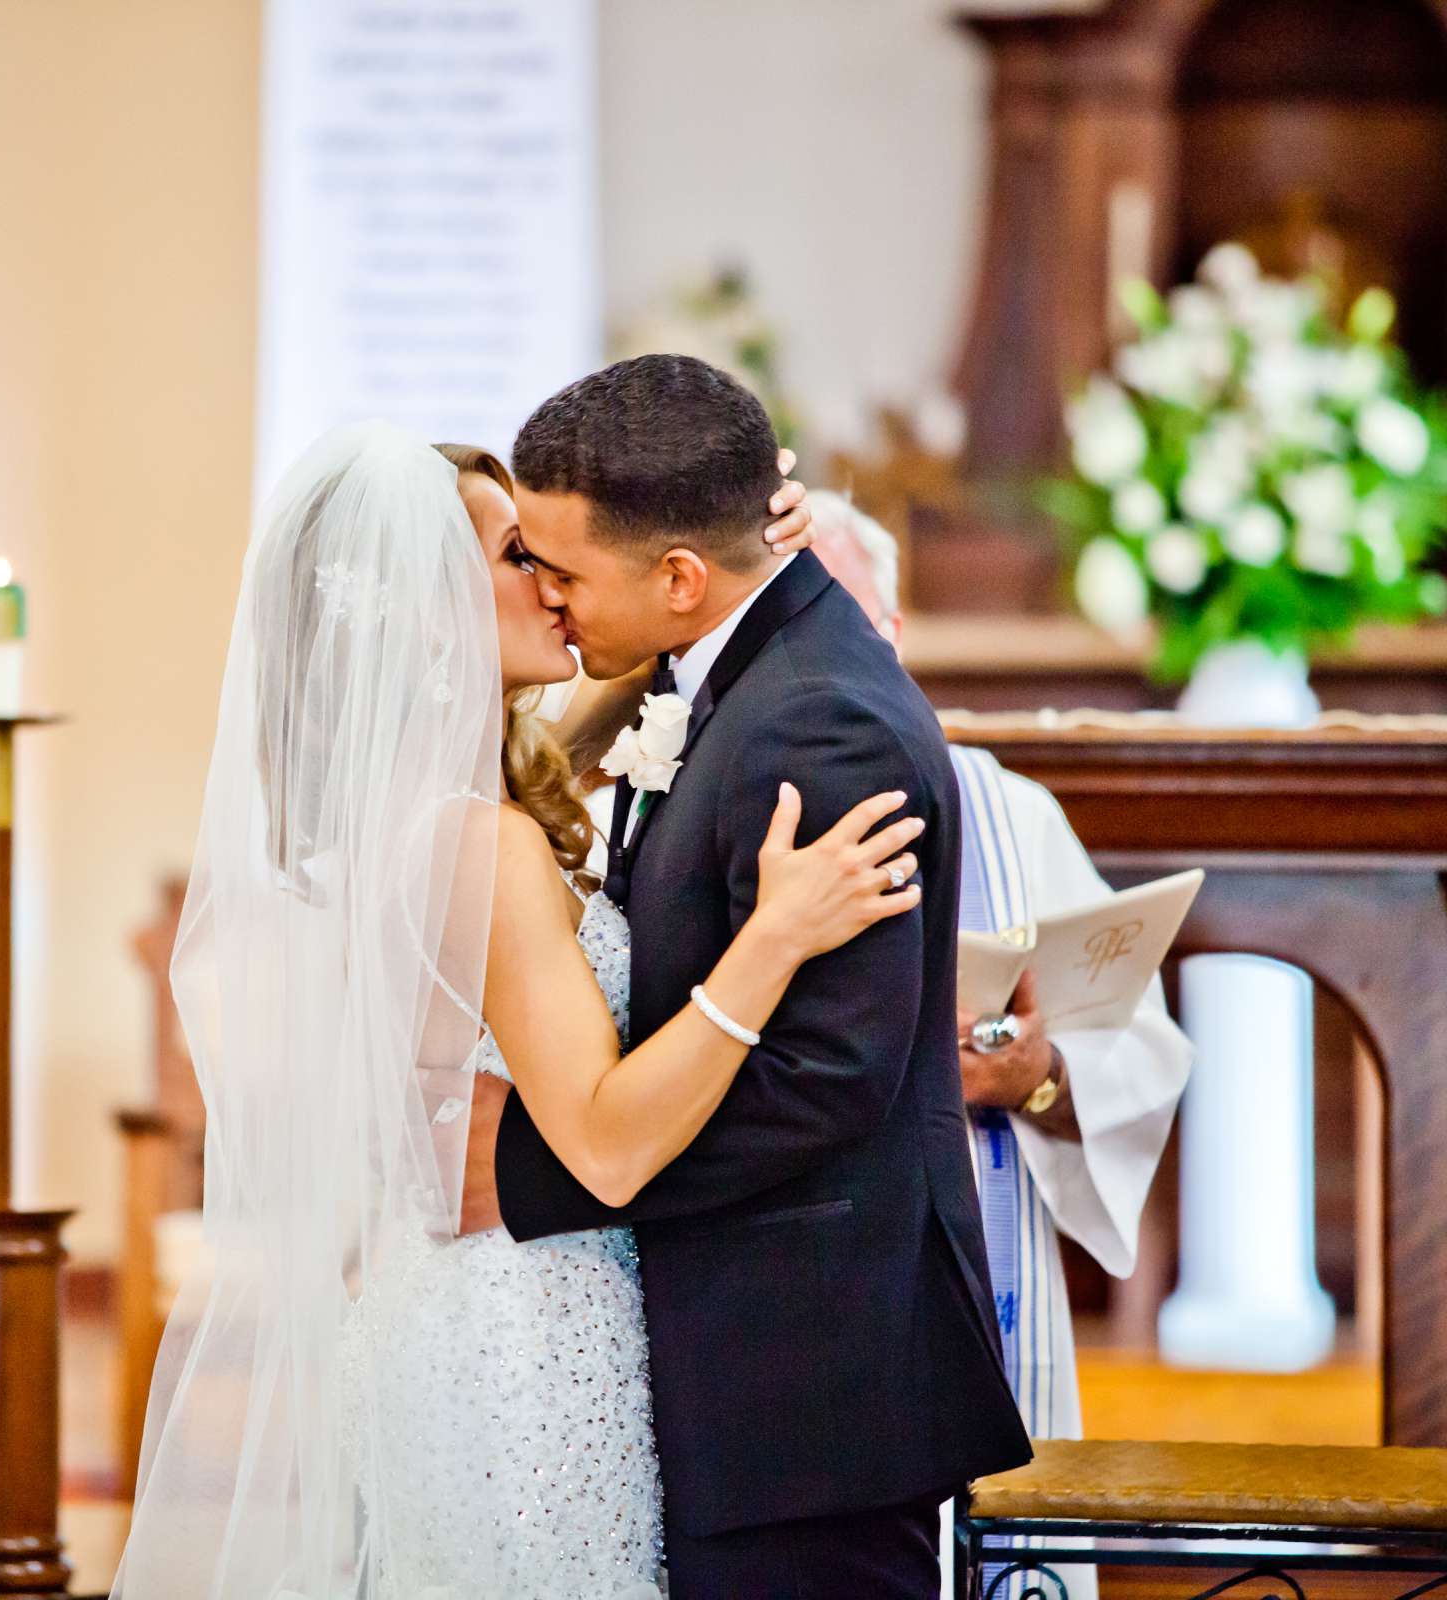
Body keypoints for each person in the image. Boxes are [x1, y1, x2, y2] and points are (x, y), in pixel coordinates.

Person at [113, 421, 923, 1599]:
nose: (551, 579)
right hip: (522, 1341)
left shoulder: (413, 813)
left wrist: (752, 560)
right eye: (516, 554)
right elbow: (602, 1140)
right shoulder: (477, 846)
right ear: (429, 612)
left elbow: (655, 687)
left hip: (449, 1311)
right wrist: (776, 937)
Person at [465, 356, 1031, 1599]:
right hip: (765, 1379)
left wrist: (529, 1173)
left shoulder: (818, 720)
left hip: (812, 1385)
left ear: (678, 578)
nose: (548, 598)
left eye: (562, 570)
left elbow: (826, 1081)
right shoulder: (728, 663)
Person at [804, 488, 1193, 1600]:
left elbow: (1140, 1049)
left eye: (859, 625)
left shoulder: (1008, 815)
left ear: (897, 635)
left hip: (978, 1254)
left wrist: (1040, 1077)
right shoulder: (717, 801)